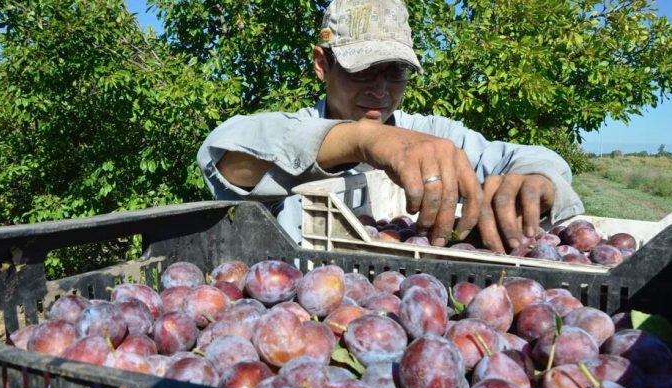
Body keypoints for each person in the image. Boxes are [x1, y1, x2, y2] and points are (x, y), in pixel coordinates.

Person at [197, 0, 584, 253]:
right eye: (362, 69)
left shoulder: (432, 137)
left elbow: (532, 158)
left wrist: (537, 181)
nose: (381, 90)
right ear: (321, 65)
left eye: (396, 71)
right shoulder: (295, 130)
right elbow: (226, 158)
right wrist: (365, 139)